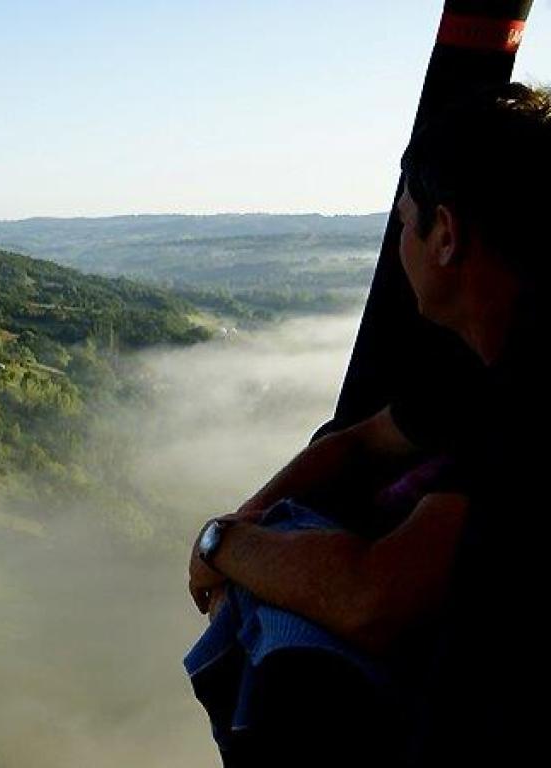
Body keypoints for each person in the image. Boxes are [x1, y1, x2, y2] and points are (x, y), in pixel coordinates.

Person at [187, 82, 551, 766]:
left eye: (402, 220)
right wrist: (253, 515)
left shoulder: (526, 403)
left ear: (444, 236)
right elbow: (361, 439)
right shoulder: (485, 364)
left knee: (287, 622)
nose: (398, 243)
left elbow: (374, 598)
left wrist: (222, 545)